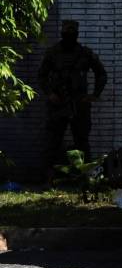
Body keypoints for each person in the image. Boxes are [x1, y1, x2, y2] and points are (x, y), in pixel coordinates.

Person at [37, 20, 107, 175]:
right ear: (62, 33)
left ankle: (85, 179)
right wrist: (50, 94)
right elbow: (41, 76)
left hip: (79, 104)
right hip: (58, 104)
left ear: (76, 34)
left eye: (72, 33)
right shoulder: (53, 53)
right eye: (67, 32)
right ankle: (48, 179)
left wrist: (94, 95)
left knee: (81, 142)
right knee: (52, 142)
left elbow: (101, 74)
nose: (69, 35)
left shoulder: (85, 53)